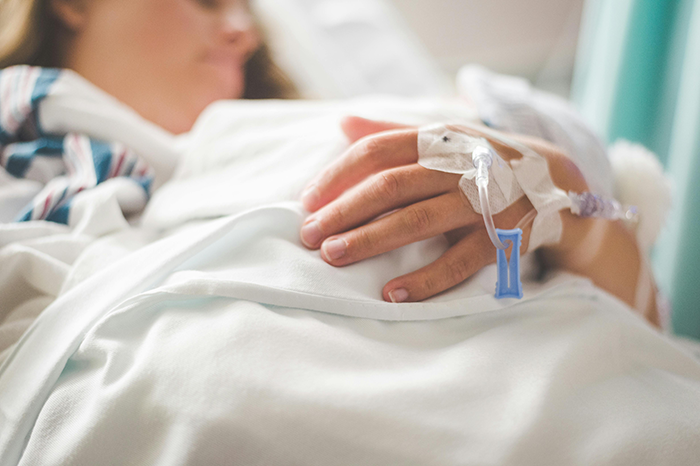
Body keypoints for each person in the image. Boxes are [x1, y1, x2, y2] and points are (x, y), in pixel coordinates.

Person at [0, 0, 660, 326]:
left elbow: (650, 336)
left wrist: (572, 205)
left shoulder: (374, 127)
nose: (243, 28)